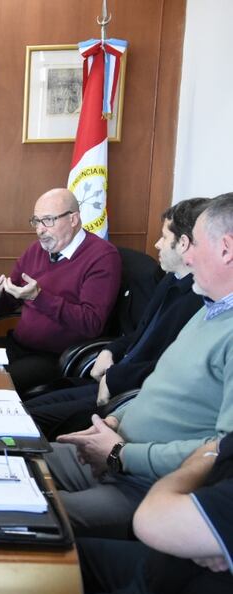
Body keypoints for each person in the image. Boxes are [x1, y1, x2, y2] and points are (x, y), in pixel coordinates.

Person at [46, 192, 233, 538]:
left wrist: (122, 454)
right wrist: (115, 420)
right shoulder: (209, 308)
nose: (187, 256)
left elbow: (222, 454)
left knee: (25, 518)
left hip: (146, 485)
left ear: (226, 249)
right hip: (110, 451)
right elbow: (158, 389)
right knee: (11, 464)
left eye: (194, 245)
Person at [24, 198, 207, 437]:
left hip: (131, 396)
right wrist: (111, 349)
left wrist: (115, 378)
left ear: (183, 243)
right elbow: (141, 334)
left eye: (164, 237)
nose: (156, 244)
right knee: (22, 410)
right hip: (113, 377)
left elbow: (168, 367)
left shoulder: (199, 299)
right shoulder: (171, 278)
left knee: (28, 422)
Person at [78, 435, 233, 594]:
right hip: (167, 562)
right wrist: (210, 453)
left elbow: (152, 519)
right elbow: (213, 447)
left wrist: (208, 456)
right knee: (69, 553)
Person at [0, 188, 121, 394]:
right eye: (36, 221)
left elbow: (91, 323)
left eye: (48, 220)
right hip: (17, 345)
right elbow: (8, 304)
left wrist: (39, 297)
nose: (40, 230)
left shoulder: (102, 256)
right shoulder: (36, 250)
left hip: (54, 357)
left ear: (73, 219)